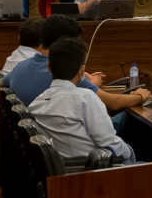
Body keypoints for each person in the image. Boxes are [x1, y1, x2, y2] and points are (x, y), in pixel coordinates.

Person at [3, 14, 152, 111]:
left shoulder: (19, 67)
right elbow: (113, 103)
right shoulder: (65, 73)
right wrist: (140, 96)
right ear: (66, 43)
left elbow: (0, 84)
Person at [29, 37, 138, 165]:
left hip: (66, 170)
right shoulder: (85, 98)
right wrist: (131, 154)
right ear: (82, 71)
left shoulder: (35, 104)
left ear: (49, 67)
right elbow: (112, 145)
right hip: (94, 172)